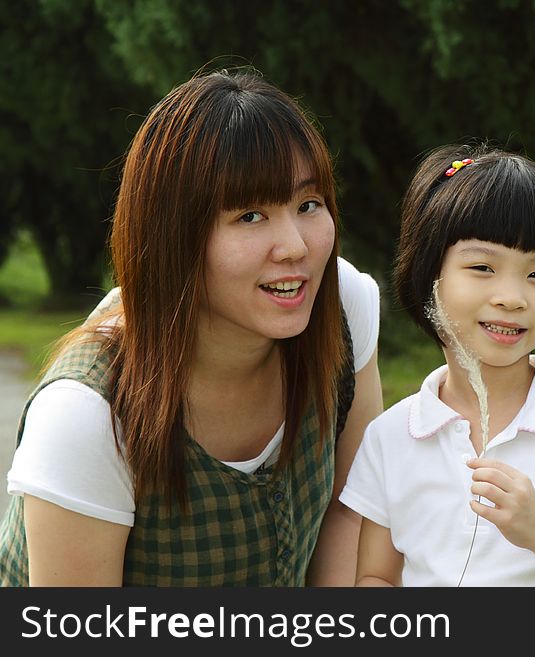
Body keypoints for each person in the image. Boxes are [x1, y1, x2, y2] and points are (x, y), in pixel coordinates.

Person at [0, 69, 383, 586]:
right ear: (172, 236)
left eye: (307, 205)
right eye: (249, 216)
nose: (295, 245)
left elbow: (351, 509)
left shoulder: (341, 307)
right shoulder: (87, 416)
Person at [340, 144, 535, 586]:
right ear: (429, 275)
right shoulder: (391, 438)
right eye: (483, 267)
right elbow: (377, 577)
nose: (512, 297)